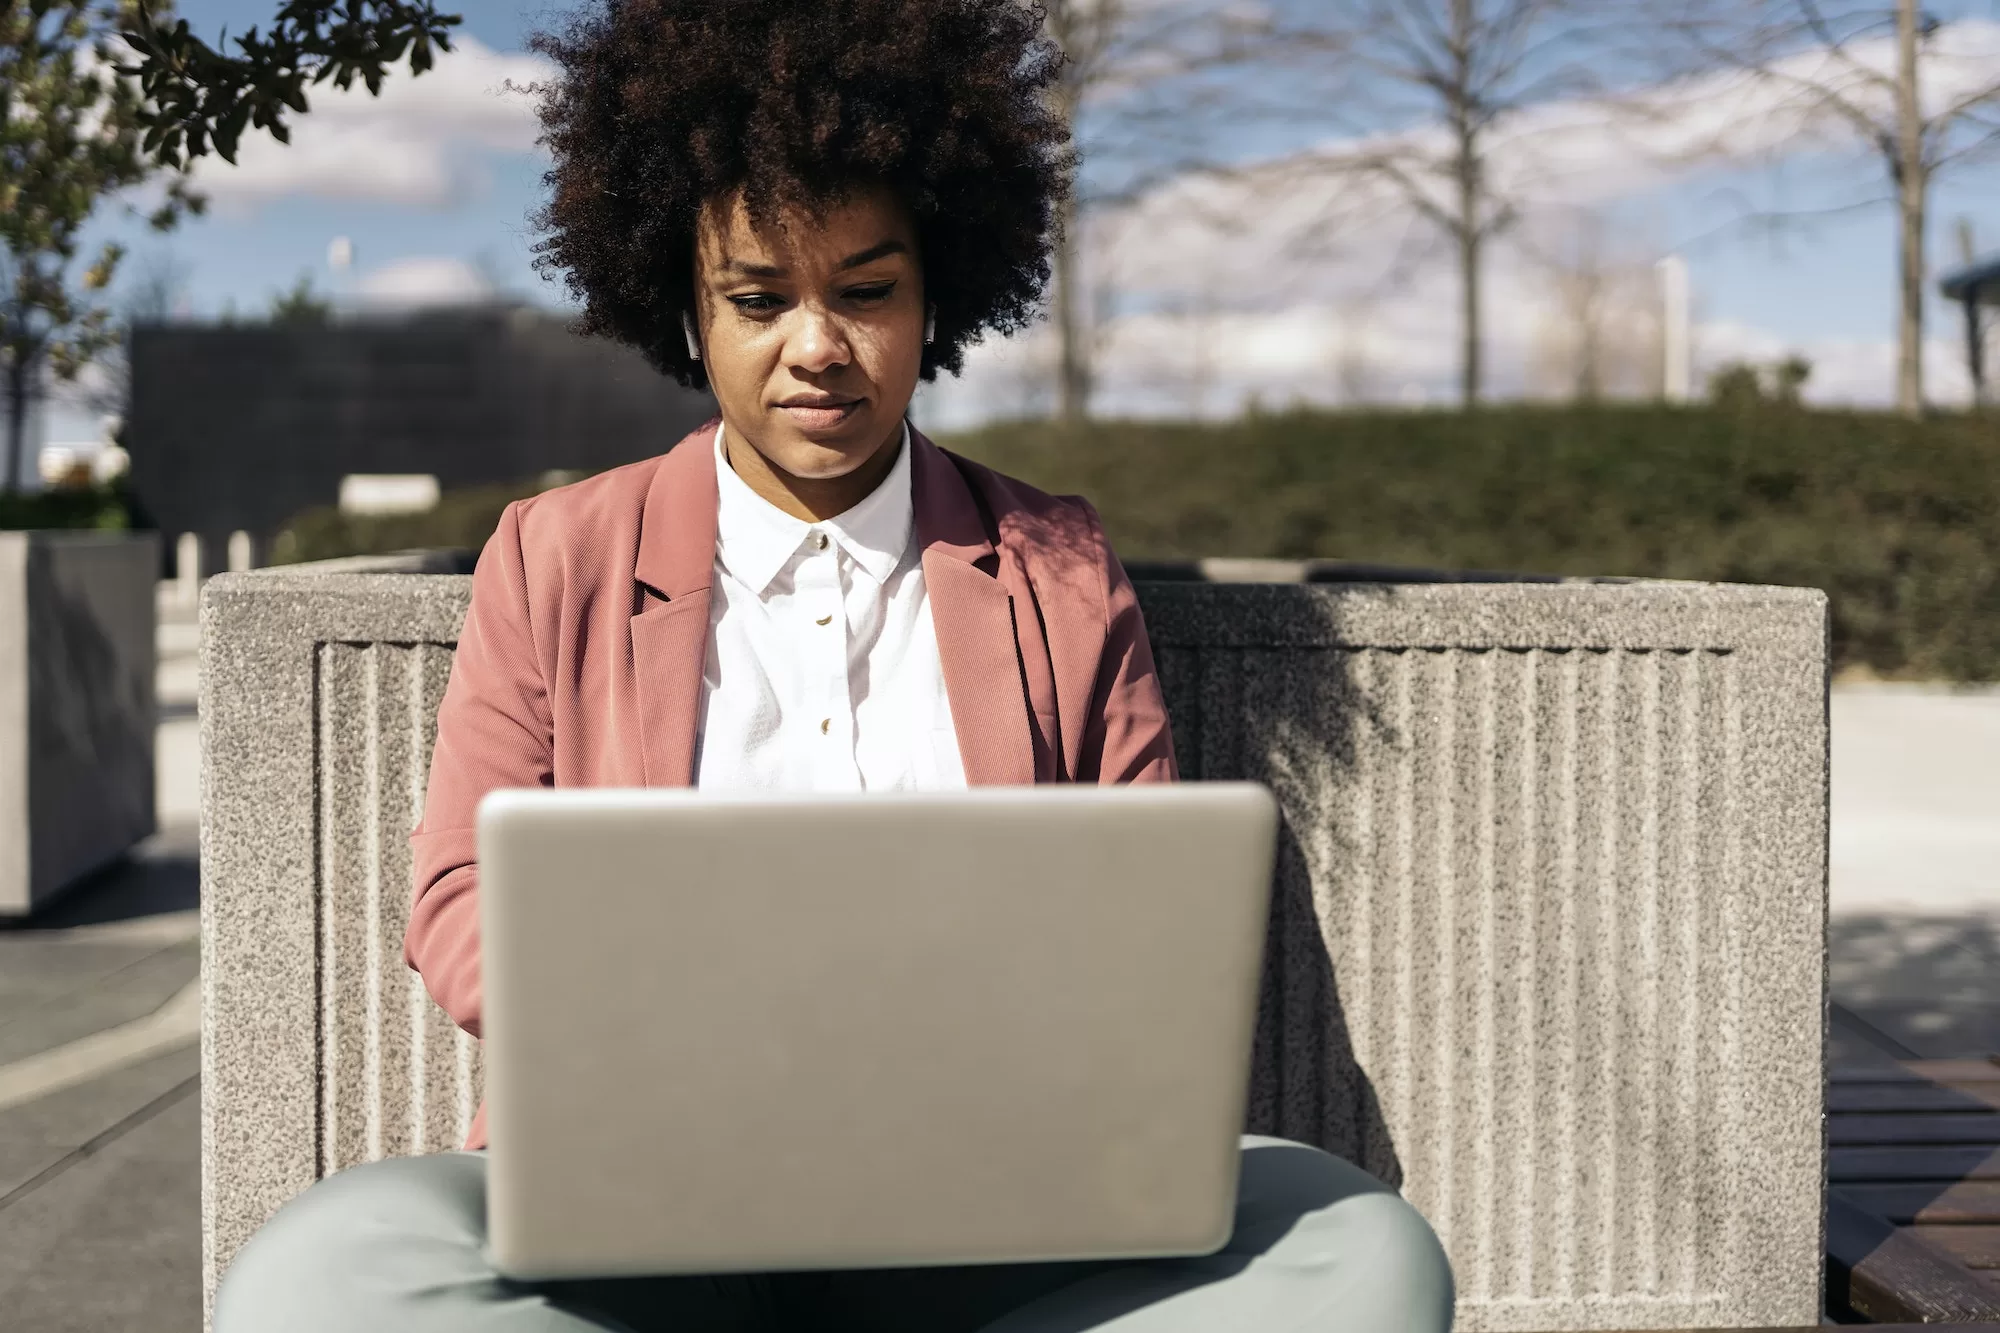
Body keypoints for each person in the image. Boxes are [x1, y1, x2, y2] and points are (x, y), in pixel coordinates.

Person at [211, 2, 1455, 1329]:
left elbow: (1151, 931)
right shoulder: (555, 554)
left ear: (936, 302)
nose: (818, 345)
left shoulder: (1059, 565)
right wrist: (644, 1042)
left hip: (995, 1197)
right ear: (687, 312)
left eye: (867, 292)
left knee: (1365, 1253)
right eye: (759, 299)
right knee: (316, 1278)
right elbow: (455, 896)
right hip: (644, 1192)